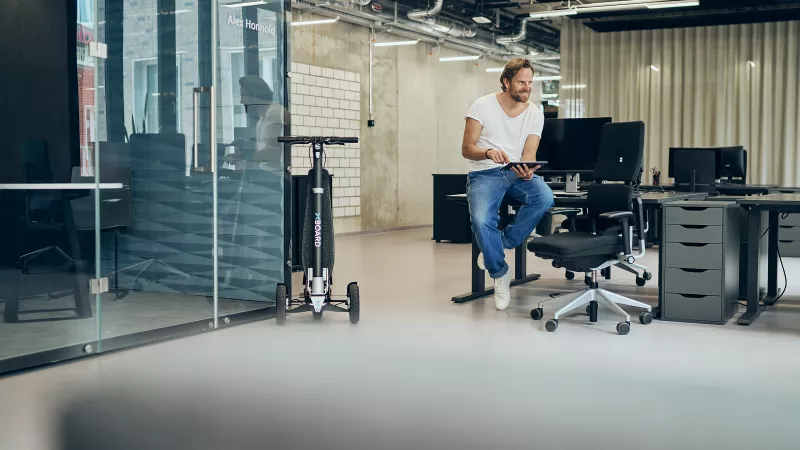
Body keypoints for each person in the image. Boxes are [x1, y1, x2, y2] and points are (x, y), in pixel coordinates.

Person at [461, 58, 555, 311]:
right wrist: (488, 152)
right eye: (522, 82)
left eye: (530, 83)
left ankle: (502, 243)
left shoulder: (535, 112)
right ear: (506, 82)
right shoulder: (481, 106)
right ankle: (500, 271)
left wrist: (527, 169)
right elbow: (467, 149)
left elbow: (530, 151)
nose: (527, 88)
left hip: (516, 173)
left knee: (544, 197)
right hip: (484, 173)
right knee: (481, 220)